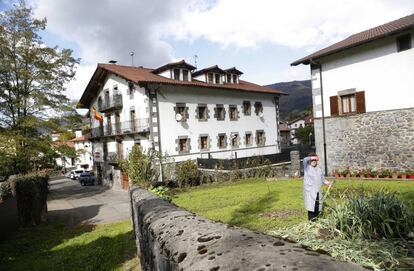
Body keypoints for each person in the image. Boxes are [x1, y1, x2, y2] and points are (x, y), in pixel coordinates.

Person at [303, 153, 332, 221]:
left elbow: (323, 179)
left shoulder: (319, 168)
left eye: (315, 160)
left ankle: (316, 222)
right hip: (310, 192)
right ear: (310, 160)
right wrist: (314, 157)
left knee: (317, 208)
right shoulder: (307, 167)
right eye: (312, 160)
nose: (314, 161)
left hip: (318, 191)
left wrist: (328, 183)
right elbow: (304, 159)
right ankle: (311, 223)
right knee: (311, 209)